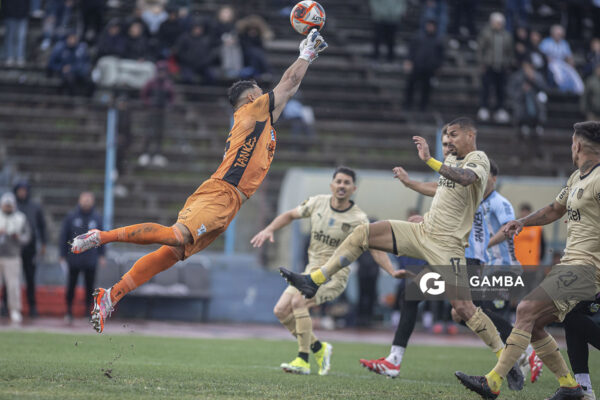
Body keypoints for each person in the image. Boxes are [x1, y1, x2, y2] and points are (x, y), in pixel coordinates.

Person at [71, 29, 328, 334]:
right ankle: (101, 237)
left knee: (168, 256)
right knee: (176, 237)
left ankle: (109, 297)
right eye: (260, 90)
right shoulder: (252, 110)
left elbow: (288, 91)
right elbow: (289, 83)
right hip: (221, 193)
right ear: (250, 96)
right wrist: (305, 54)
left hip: (229, 201)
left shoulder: (262, 120)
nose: (265, 93)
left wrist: (306, 60)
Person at [280, 117, 525, 389]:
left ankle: (507, 360)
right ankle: (314, 280)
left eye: (454, 135)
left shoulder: (478, 159)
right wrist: (410, 183)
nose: (449, 142)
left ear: (470, 134)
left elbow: (466, 180)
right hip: (423, 232)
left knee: (464, 308)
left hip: (448, 246)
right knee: (364, 233)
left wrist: (430, 161)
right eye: (446, 138)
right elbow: (441, 188)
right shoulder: (452, 163)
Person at [455, 121, 600, 400]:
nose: (572, 147)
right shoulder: (576, 178)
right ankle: (571, 387)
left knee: (525, 309)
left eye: (572, 142)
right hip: (570, 265)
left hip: (585, 269)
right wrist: (521, 222)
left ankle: (493, 381)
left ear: (578, 145)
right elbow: (554, 210)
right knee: (533, 323)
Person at [251, 167, 398, 375]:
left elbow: (375, 248)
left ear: (353, 189)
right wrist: (269, 229)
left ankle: (303, 360)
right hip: (309, 272)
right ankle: (319, 348)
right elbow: (290, 214)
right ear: (332, 185)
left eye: (347, 183)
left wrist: (392, 271)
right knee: (281, 311)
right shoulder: (317, 202)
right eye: (338, 181)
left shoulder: (359, 219)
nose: (342, 186)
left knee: (298, 302)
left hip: (333, 277)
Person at [60, 192, 105, 323]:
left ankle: (87, 311)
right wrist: (62, 255)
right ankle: (68, 311)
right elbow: (64, 236)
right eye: (84, 199)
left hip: (90, 259)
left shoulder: (97, 217)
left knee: (90, 287)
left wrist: (102, 255)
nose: (86, 202)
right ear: (79, 200)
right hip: (74, 259)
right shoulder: (71, 216)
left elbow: (103, 236)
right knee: (71, 285)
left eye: (89, 199)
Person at [13, 181, 47, 318]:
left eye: (24, 190)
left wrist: (44, 243)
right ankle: (8, 305)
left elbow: (42, 226)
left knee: (30, 278)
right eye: (20, 190)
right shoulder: (11, 205)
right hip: (12, 249)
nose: (22, 193)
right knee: (11, 279)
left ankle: (32, 306)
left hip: (29, 248)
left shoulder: (35, 207)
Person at [0, 192, 31, 324]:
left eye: (9, 205)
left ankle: (14, 310)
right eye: (5, 205)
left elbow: (28, 237)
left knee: (13, 285)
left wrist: (18, 237)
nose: (7, 208)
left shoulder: (20, 218)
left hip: (13, 256)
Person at [477, 13, 513, 123]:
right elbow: (480, 49)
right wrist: (481, 63)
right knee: (486, 88)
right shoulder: (486, 34)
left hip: (501, 66)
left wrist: (508, 63)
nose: (499, 25)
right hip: (489, 65)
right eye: (497, 22)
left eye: (500, 23)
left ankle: (500, 109)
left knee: (500, 89)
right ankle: (484, 108)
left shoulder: (507, 36)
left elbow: (509, 51)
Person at [139, 61, 175, 167]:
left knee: (160, 134)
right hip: (151, 112)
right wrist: (148, 103)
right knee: (148, 133)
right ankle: (145, 153)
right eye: (160, 71)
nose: (162, 74)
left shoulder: (167, 85)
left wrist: (168, 106)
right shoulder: (151, 83)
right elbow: (144, 94)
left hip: (162, 113)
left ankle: (157, 154)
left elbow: (172, 97)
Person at [403, 19, 445, 111]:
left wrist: (438, 67)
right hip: (417, 66)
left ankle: (423, 106)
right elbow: (411, 50)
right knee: (411, 86)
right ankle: (407, 104)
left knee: (426, 89)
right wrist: (409, 60)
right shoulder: (418, 37)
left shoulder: (438, 40)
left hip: (429, 68)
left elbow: (441, 55)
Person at [2, 0, 30, 66]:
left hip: (22, 15)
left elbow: (28, 3)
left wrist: (27, 13)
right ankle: (9, 57)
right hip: (10, 15)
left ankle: (20, 57)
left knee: (21, 38)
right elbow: (4, 3)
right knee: (9, 38)